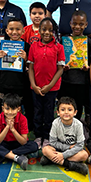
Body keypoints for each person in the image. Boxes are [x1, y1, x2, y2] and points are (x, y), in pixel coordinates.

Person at [28, 17, 65, 149]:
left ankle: (47, 136)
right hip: (36, 88)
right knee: (37, 112)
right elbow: (31, 68)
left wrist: (49, 86)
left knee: (49, 112)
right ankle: (38, 136)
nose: (47, 32)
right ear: (39, 30)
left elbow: (60, 69)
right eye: (44, 29)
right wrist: (33, 85)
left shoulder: (58, 47)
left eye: (50, 30)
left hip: (52, 88)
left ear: (54, 31)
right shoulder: (33, 46)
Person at [0, 18, 33, 129]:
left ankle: (20, 127)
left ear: (23, 31)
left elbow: (30, 66)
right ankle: (4, 127)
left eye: (18, 29)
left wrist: (25, 59)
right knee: (5, 106)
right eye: (11, 29)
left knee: (19, 107)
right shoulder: (2, 45)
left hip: (20, 84)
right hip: (5, 82)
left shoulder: (26, 46)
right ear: (7, 31)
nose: (14, 32)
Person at [0, 94, 38, 170]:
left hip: (17, 144)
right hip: (3, 143)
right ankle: (16, 157)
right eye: (7, 109)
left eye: (13, 109)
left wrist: (13, 129)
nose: (10, 112)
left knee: (34, 146)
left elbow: (23, 142)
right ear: (3, 108)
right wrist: (7, 127)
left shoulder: (23, 119)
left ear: (18, 109)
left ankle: (2, 155)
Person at [40, 97, 89, 175]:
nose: (66, 112)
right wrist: (67, 148)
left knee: (84, 155)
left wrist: (63, 155)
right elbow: (52, 142)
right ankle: (70, 165)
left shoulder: (78, 125)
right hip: (59, 149)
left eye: (70, 110)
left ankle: (51, 159)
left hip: (72, 151)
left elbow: (80, 145)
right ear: (58, 112)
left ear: (75, 112)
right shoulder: (55, 123)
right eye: (63, 110)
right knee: (45, 149)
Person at [59, 10, 91, 122]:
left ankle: (76, 128)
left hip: (82, 82)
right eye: (74, 23)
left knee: (78, 107)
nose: (77, 26)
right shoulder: (64, 40)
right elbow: (58, 60)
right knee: (63, 106)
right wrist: (62, 67)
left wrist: (88, 68)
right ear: (70, 23)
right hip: (66, 81)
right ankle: (63, 128)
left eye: (81, 24)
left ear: (86, 25)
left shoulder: (88, 41)